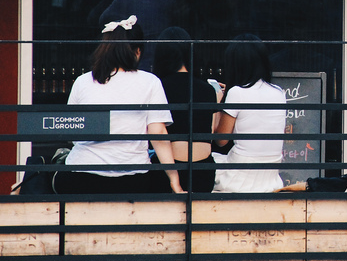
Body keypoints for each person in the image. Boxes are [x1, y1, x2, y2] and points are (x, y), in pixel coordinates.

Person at [53, 15, 183, 194]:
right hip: (132, 180)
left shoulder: (82, 81)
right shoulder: (150, 81)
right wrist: (174, 180)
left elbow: (73, 131)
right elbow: (158, 134)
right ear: (137, 51)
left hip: (81, 177)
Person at [151, 27, 223, 193]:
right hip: (203, 170)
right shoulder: (207, 89)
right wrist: (217, 102)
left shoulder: (158, 87)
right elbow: (211, 132)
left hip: (168, 170)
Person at [212, 34, 286, 193]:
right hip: (270, 175)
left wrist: (217, 104)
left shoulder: (237, 93)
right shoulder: (278, 92)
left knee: (206, 162)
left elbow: (221, 140)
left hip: (241, 176)